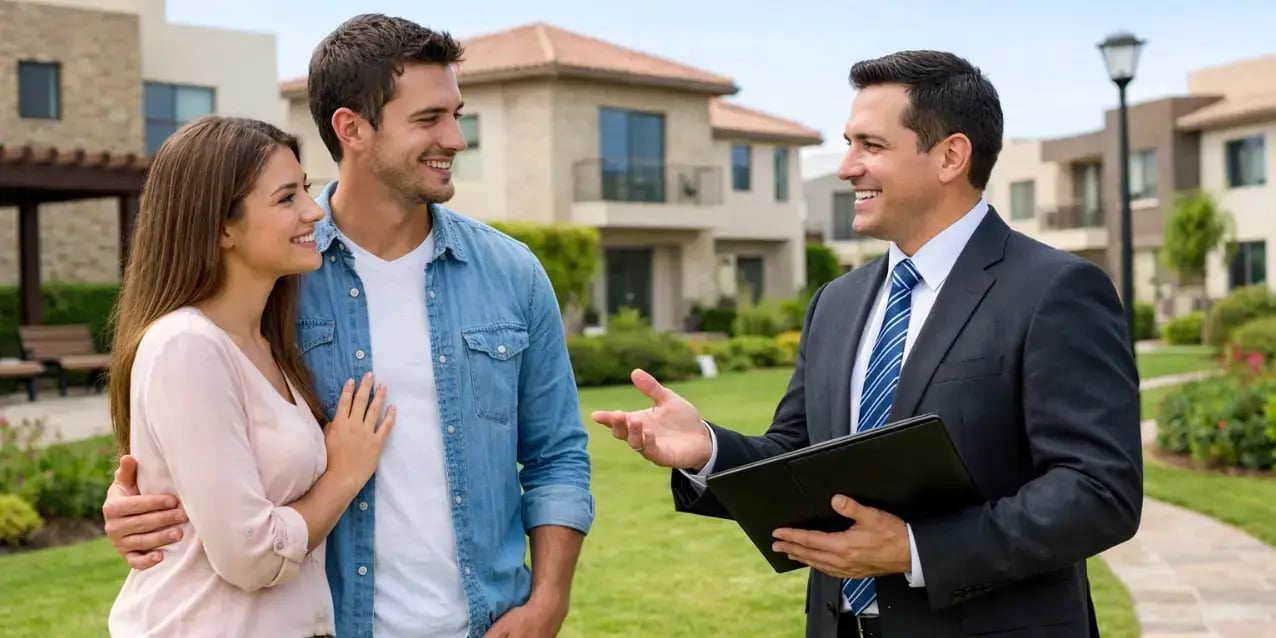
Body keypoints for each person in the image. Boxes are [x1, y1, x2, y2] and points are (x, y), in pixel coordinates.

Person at [593, 50, 1143, 638]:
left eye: (871, 146)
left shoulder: (1056, 290)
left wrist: (914, 549)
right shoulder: (836, 302)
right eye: (849, 144)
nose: (847, 167)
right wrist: (707, 450)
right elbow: (800, 455)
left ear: (951, 156)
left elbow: (1097, 490)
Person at [99, 14, 594, 638]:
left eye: (455, 114)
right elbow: (199, 443)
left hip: (485, 622)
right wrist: (139, 509)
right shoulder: (275, 278)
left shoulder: (511, 273)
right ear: (351, 128)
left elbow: (556, 455)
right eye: (428, 119)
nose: (456, 139)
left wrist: (548, 600)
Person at [104, 115, 395, 638]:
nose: (313, 211)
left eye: (305, 190)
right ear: (221, 227)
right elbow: (250, 557)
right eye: (286, 198)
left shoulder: (265, 344)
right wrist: (345, 475)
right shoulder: (186, 347)